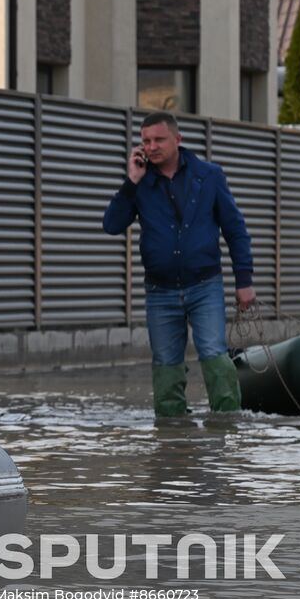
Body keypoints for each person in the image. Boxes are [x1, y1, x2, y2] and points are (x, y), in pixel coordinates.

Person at [102, 111, 255, 417]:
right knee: (166, 363)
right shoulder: (140, 183)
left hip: (204, 286)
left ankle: (228, 428)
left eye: (159, 139)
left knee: (214, 354)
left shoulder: (208, 175)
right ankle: (171, 445)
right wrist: (131, 181)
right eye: (145, 140)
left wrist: (244, 281)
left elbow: (235, 229)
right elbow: (111, 224)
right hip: (160, 291)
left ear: (177, 140)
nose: (151, 146)